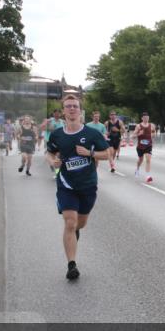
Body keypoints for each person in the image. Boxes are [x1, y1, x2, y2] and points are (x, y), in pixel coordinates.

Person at [44, 93, 110, 281]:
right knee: (70, 222)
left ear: (80, 111)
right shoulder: (57, 135)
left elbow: (107, 154)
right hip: (66, 184)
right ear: (63, 111)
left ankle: (75, 231)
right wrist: (53, 161)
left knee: (80, 223)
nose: (72, 109)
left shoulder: (91, 134)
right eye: (68, 106)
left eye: (75, 106)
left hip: (88, 185)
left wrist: (90, 153)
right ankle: (71, 265)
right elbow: (49, 153)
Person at [133, 112, 155, 182]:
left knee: (148, 159)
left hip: (148, 145)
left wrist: (153, 136)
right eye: (145, 118)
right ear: (142, 118)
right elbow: (133, 136)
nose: (146, 119)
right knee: (140, 160)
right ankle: (137, 169)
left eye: (147, 117)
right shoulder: (138, 126)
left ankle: (148, 176)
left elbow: (154, 133)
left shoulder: (152, 125)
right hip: (140, 146)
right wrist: (139, 133)